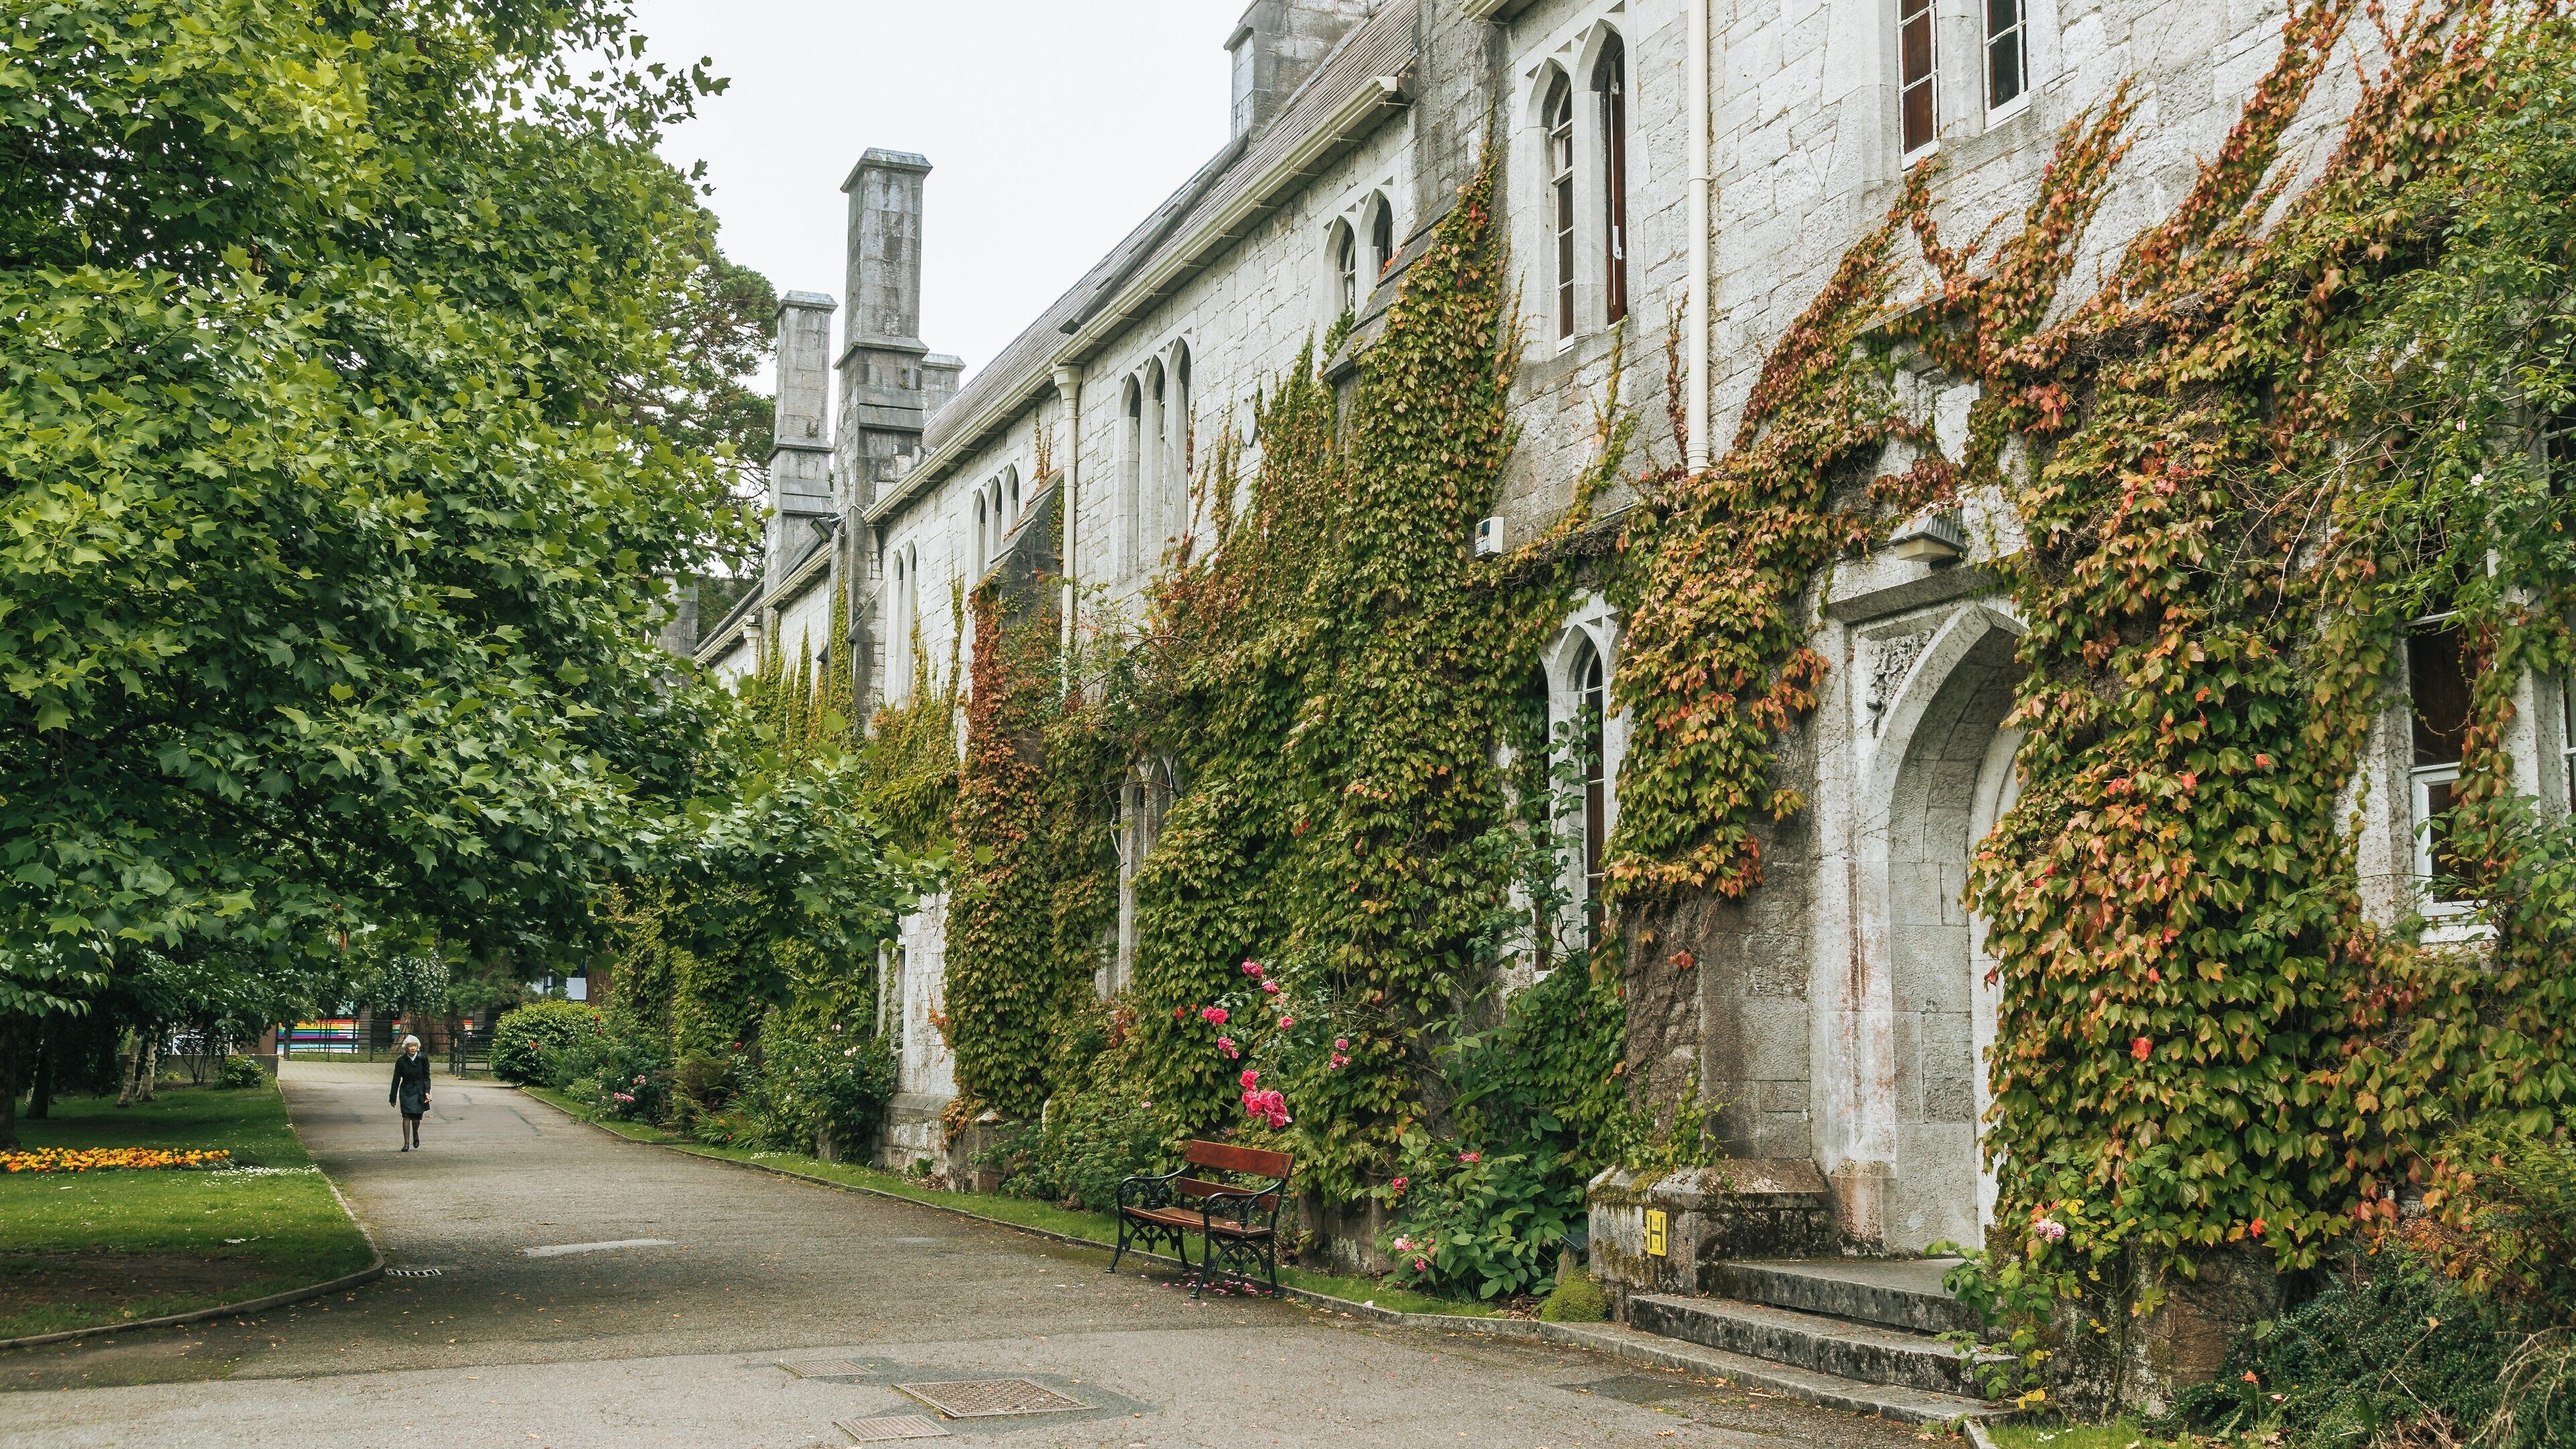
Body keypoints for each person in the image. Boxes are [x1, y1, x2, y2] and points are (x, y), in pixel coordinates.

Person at [390, 1035, 432, 1151]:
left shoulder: (423, 1058)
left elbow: (427, 1077)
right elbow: (396, 1080)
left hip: (419, 1090)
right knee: (406, 1116)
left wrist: (427, 1092)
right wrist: (392, 1098)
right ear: (406, 1048)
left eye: (415, 1046)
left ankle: (415, 1134)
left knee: (416, 1119)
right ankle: (406, 1143)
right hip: (406, 1090)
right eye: (411, 1046)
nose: (413, 1048)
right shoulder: (401, 1061)